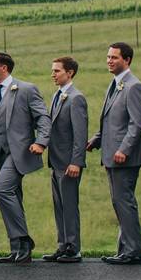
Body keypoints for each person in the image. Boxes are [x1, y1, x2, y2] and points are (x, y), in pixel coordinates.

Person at [0, 52, 51, 264]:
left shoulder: (26, 89)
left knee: (1, 189)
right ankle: (18, 250)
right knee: (14, 196)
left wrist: (41, 141)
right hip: (0, 155)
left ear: (4, 68)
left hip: (21, 152)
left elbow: (42, 117)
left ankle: (24, 240)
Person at [86, 42, 141, 265]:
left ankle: (133, 252)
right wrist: (96, 139)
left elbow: (136, 124)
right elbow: (110, 121)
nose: (109, 61)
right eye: (108, 57)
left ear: (127, 60)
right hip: (111, 154)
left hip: (125, 156)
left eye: (114, 57)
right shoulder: (115, 84)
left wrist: (124, 149)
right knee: (118, 202)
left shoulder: (134, 87)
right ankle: (124, 250)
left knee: (124, 201)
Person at [43, 56, 87, 263]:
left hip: (69, 163)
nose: (53, 74)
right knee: (59, 206)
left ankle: (73, 248)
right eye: (52, 71)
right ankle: (62, 245)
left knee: (69, 206)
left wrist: (76, 162)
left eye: (57, 71)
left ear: (69, 73)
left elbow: (80, 134)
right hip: (56, 161)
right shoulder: (57, 95)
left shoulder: (76, 98)